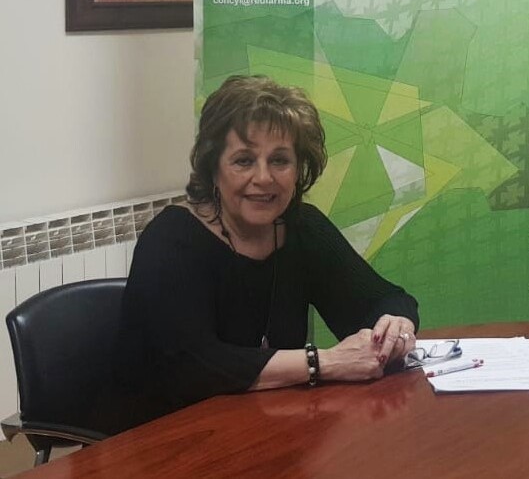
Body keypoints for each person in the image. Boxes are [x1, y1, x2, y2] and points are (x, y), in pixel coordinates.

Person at [114, 74, 419, 429]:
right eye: (244, 161)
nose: (263, 178)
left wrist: (394, 327)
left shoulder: (303, 227)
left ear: (299, 169)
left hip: (267, 427)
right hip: (165, 437)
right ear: (213, 168)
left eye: (280, 160)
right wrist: (323, 362)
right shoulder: (172, 239)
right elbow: (192, 369)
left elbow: (385, 299)